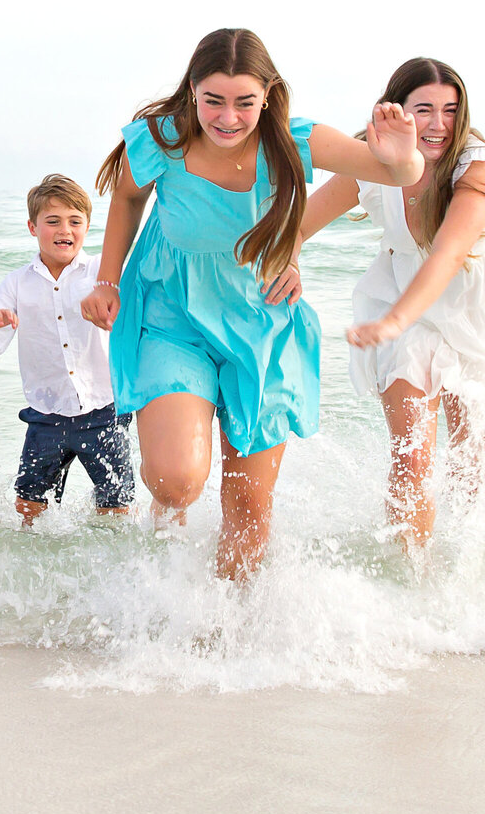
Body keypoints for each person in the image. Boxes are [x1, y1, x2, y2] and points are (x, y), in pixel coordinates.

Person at [81, 28, 423, 580]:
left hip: (261, 317)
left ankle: (226, 637)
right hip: (174, 316)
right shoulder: (161, 139)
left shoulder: (293, 140)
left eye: (244, 101)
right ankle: (163, 529)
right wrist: (108, 280)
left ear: (267, 95)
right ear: (192, 90)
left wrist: (404, 161)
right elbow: (126, 195)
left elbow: (394, 172)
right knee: (177, 480)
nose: (228, 117)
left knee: (249, 508)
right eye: (213, 99)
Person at [296, 57, 485, 553]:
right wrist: (287, 260)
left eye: (450, 110)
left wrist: (393, 320)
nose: (439, 124)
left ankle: (468, 592)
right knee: (411, 456)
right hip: (405, 304)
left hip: (479, 310)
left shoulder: (482, 167)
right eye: (424, 110)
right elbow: (296, 228)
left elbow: (446, 253)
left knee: (472, 463)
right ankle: (412, 580)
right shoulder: (373, 162)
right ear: (395, 112)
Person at [0, 174, 134, 527]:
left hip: (104, 410)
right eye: (52, 221)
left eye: (75, 221)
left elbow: (135, 323)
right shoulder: (16, 283)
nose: (65, 230)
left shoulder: (103, 272)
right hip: (46, 416)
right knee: (29, 509)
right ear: (32, 226)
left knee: (116, 510)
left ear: (88, 226)